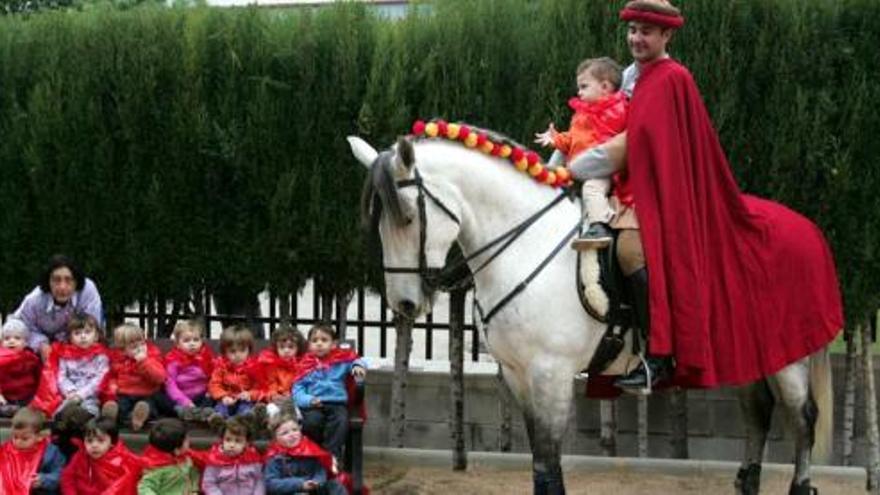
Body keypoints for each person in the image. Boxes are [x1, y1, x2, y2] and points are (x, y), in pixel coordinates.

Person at [569, 0, 843, 391]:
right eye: (632, 31)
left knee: (630, 251)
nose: (636, 38)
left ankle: (660, 357)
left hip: (662, 194)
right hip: (638, 186)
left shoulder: (670, 78)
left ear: (666, 35)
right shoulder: (637, 77)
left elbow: (635, 146)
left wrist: (568, 170)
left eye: (646, 31)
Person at [535, 57, 628, 249]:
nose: (579, 92)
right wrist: (556, 139)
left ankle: (599, 225)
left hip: (601, 171)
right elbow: (573, 139)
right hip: (577, 166)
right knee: (554, 175)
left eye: (584, 86)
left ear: (604, 86)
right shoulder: (582, 114)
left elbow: (616, 145)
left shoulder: (620, 110)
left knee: (592, 189)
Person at [293, 324, 366, 459]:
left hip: (336, 403)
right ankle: (314, 454)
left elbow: (357, 361)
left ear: (333, 344)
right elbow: (297, 390)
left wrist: (357, 368)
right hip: (314, 404)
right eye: (314, 341)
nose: (319, 344)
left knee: (340, 423)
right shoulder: (305, 365)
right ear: (309, 345)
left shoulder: (341, 360)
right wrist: (308, 400)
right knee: (311, 423)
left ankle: (331, 456)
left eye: (324, 340)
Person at [12, 255, 104, 361]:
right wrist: (41, 345)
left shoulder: (88, 291)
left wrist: (67, 347)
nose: (62, 287)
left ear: (77, 282)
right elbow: (23, 328)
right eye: (56, 280)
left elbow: (92, 326)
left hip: (78, 345)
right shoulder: (34, 300)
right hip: (42, 350)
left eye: (69, 280)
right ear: (48, 282)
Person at [103, 324, 175, 431]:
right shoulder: (118, 360)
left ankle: (137, 419)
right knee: (120, 407)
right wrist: (113, 386)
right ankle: (113, 417)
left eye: (142, 344)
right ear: (123, 350)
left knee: (148, 406)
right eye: (134, 347)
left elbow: (160, 378)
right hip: (125, 394)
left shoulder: (151, 357)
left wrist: (143, 361)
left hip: (147, 394)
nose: (140, 349)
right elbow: (112, 376)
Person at [263, 414, 347, 495]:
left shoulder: (309, 448)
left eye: (295, 430)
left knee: (334, 485)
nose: (292, 435)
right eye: (285, 433)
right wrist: (300, 484)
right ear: (275, 439)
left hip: (313, 488)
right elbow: (270, 484)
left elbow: (320, 470)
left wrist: (316, 482)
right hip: (290, 490)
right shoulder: (274, 457)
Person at [59, 417, 141, 495]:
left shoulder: (123, 460)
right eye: (89, 441)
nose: (94, 445)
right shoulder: (80, 455)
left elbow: (121, 489)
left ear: (112, 442)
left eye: (100, 440)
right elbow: (67, 477)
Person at [207, 325, 264, 427]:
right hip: (227, 399)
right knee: (221, 408)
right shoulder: (221, 367)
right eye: (232, 351)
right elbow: (214, 384)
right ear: (225, 353)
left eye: (242, 351)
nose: (238, 355)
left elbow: (260, 387)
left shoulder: (254, 367)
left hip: (244, 400)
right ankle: (220, 421)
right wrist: (223, 396)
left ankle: (245, 421)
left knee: (246, 409)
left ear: (249, 351)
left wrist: (250, 394)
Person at [0, 407, 66, 495]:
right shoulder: (7, 450)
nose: (18, 442)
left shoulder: (50, 452)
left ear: (39, 437)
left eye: (24, 438)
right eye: (15, 437)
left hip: (38, 491)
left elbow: (61, 474)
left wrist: (43, 480)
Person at [165, 318, 215, 422]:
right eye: (186, 340)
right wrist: (185, 401)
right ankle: (183, 411)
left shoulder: (207, 358)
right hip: (180, 396)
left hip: (200, 396)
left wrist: (210, 390)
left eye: (196, 340)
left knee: (211, 396)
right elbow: (170, 384)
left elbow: (214, 377)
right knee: (161, 396)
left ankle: (202, 413)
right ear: (178, 344)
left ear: (202, 341)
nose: (192, 344)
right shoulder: (174, 361)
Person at [201, 417, 265, 495]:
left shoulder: (253, 459)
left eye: (238, 441)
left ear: (246, 443)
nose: (232, 445)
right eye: (228, 440)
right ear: (222, 440)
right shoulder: (215, 459)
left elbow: (259, 480)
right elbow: (208, 483)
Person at [257, 324, 307, 423]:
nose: (286, 350)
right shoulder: (271, 364)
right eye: (282, 347)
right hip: (276, 399)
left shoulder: (302, 365)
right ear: (276, 349)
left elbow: (302, 384)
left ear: (298, 349)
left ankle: (294, 434)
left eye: (291, 347)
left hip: (294, 399)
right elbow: (270, 384)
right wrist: (273, 395)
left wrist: (292, 396)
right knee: (271, 410)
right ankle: (276, 434)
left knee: (297, 414)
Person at [137, 418, 201, 495]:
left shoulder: (185, 458)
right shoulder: (157, 467)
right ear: (176, 450)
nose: (189, 440)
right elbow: (144, 487)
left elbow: (192, 473)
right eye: (186, 440)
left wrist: (194, 490)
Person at [0, 319, 41, 417]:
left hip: (26, 397)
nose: (11, 341)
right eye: (7, 338)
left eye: (17, 338)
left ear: (25, 342)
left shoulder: (31, 358)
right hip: (5, 398)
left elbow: (39, 379)